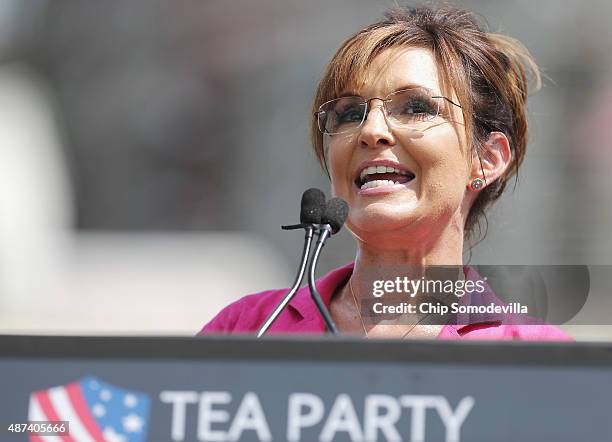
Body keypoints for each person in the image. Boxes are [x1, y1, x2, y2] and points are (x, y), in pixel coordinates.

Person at [199, 5, 571, 341]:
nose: (371, 131)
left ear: (487, 159)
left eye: (416, 107)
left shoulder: (534, 356)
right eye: (348, 113)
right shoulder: (248, 329)